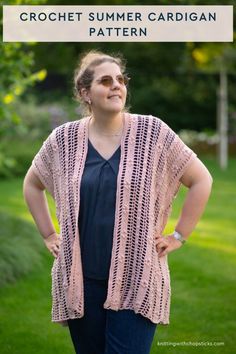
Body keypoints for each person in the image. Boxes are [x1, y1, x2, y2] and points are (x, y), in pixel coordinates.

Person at [23, 50, 213, 354]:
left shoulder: (153, 133)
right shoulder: (64, 139)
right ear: (85, 93)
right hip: (80, 282)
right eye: (106, 81)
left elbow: (202, 179)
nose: (116, 86)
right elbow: (32, 184)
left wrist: (179, 235)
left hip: (138, 276)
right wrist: (48, 234)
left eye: (121, 80)